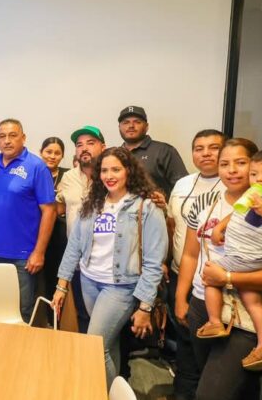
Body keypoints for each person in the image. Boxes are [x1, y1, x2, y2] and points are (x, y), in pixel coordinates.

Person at [174, 138, 262, 400]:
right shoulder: (204, 201)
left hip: (249, 312)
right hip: (203, 303)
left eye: (241, 163)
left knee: (213, 393)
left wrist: (228, 277)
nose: (232, 170)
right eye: (224, 164)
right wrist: (181, 297)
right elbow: (190, 254)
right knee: (222, 384)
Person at [52, 147, 167, 387]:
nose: (109, 175)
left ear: (129, 171)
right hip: (89, 281)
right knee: (107, 344)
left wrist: (145, 306)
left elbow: (154, 262)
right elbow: (74, 246)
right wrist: (61, 286)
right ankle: (111, 391)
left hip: (120, 287)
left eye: (116, 169)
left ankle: (101, 392)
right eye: (104, 170)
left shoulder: (146, 207)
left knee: (94, 346)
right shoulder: (93, 203)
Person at [196, 148, 262, 371]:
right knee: (253, 302)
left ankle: (214, 322)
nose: (259, 179)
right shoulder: (252, 195)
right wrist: (219, 228)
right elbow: (236, 213)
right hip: (251, 261)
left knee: (210, 276)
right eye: (254, 174)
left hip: (248, 258)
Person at [166, 129, 225, 399]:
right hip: (181, 274)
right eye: (199, 148)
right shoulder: (182, 184)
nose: (206, 153)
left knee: (213, 350)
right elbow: (172, 225)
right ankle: (183, 393)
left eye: (213, 148)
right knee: (185, 344)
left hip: (216, 283)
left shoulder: (237, 188)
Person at [0, 119, 56, 322]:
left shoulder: (37, 166)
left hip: (23, 257)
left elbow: (49, 211)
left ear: (23, 138)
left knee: (22, 312)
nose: (7, 141)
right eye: (2, 136)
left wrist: (39, 252)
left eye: (12, 135)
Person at [57, 125, 106, 332]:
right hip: (77, 261)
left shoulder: (111, 176)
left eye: (90, 143)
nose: (84, 148)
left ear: (103, 147)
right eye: (79, 145)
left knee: (107, 321)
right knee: (83, 315)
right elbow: (59, 205)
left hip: (106, 264)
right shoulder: (68, 178)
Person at [118, 105, 188, 198]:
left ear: (147, 127)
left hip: (158, 206)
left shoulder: (164, 151)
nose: (131, 126)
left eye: (137, 122)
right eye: (126, 122)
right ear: (119, 127)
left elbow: (184, 188)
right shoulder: (115, 155)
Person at [40, 137, 69, 323]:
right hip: (38, 232)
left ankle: (56, 320)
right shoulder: (35, 172)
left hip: (60, 235)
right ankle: (40, 318)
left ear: (62, 156)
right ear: (41, 152)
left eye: (57, 153)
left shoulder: (68, 175)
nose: (52, 156)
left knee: (57, 276)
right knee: (39, 279)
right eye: (48, 152)